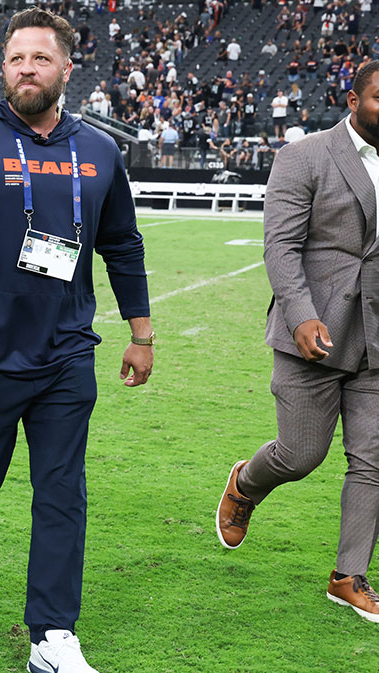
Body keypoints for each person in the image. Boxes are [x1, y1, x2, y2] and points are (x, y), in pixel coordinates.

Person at [0, 8, 153, 673]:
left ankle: (52, 635)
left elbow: (123, 244)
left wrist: (142, 331)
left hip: (68, 350)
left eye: (41, 59)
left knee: (62, 487)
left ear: (67, 69)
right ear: (2, 66)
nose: (26, 69)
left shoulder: (99, 151)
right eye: (16, 58)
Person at [216, 59, 379, 623]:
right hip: (317, 331)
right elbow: (280, 247)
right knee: (303, 454)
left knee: (373, 459)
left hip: (378, 339)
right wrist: (301, 315)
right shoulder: (304, 155)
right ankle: (245, 484)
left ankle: (348, 575)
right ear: (353, 100)